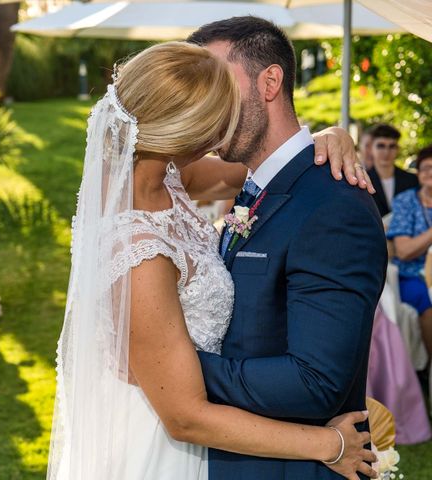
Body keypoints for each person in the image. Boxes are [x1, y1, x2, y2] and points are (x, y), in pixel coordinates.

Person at [48, 40, 379, 480]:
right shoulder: (139, 252)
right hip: (161, 437)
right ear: (189, 131)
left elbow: (263, 170)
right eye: (218, 117)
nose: (226, 127)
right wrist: (329, 444)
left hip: (202, 419)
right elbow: (184, 416)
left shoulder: (166, 172)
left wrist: (326, 137)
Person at [184, 18, 386, 480]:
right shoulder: (258, 184)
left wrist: (178, 369)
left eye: (216, 83)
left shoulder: (334, 206)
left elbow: (315, 382)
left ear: (270, 81)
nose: (205, 103)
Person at [386, 145, 432, 357]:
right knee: (429, 304)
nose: (430, 173)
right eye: (425, 168)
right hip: (411, 275)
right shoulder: (406, 201)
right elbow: (403, 251)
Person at [366, 124, 419, 217]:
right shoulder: (362, 181)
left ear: (398, 149)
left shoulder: (413, 180)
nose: (386, 152)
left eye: (392, 146)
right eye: (381, 146)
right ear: (370, 148)